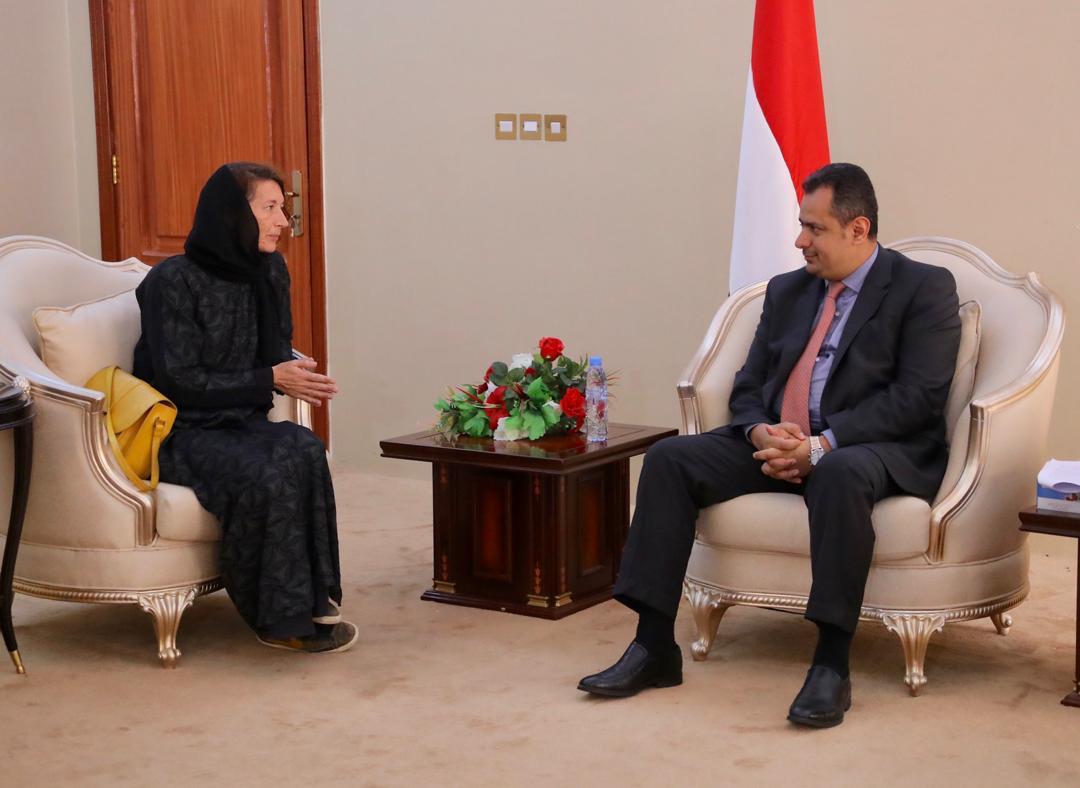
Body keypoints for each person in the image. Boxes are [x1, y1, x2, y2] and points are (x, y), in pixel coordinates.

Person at [577, 163, 961, 727]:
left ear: (858, 229)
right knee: (670, 459)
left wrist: (822, 444)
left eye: (814, 228)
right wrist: (760, 431)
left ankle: (831, 664)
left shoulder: (923, 288)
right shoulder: (787, 291)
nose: (800, 241)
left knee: (840, 472)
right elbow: (750, 385)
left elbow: (917, 398)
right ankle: (653, 644)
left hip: (872, 447)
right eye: (801, 226)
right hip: (778, 441)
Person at [133, 162, 357, 653]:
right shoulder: (172, 281)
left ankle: (315, 598)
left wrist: (293, 371)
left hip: (239, 419)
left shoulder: (269, 270)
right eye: (269, 208)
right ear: (232, 214)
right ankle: (278, 619)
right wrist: (270, 377)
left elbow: (273, 349)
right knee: (265, 470)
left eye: (282, 208)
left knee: (304, 447)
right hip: (181, 430)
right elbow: (177, 380)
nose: (282, 221)